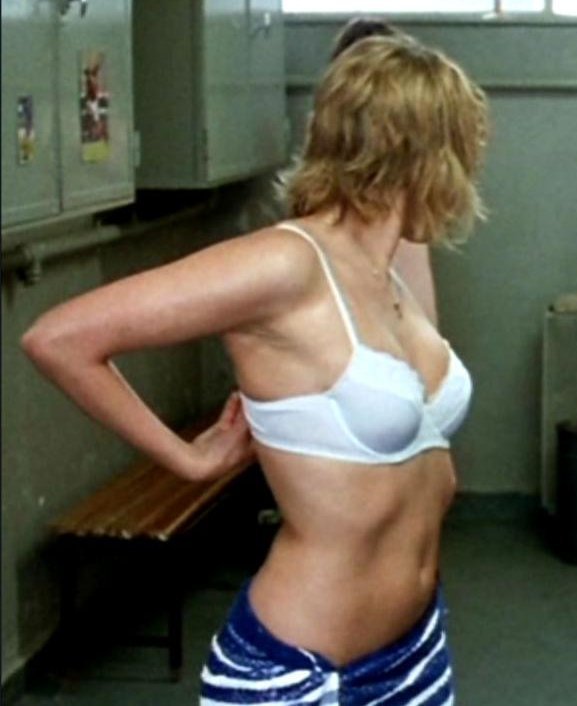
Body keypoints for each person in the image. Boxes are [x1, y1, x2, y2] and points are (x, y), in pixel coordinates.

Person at [22, 35, 488, 705]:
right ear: (425, 154)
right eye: (460, 149)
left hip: (416, 654)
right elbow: (59, 338)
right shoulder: (285, 264)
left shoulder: (391, 269)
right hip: (301, 676)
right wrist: (188, 460)